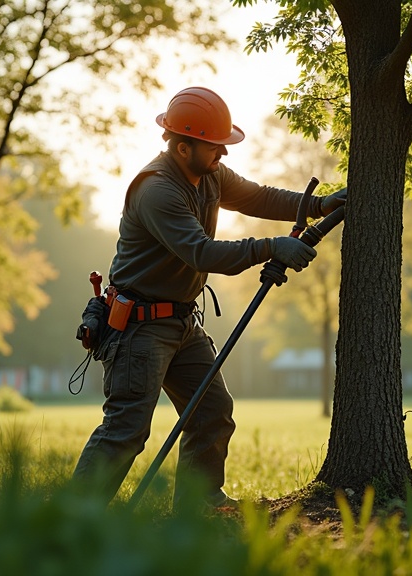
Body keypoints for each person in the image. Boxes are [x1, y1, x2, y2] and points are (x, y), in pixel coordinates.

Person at [71, 86, 346, 510]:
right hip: (140, 327)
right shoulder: (157, 191)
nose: (223, 155)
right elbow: (201, 252)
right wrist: (272, 248)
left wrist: (319, 205)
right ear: (183, 147)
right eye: (215, 147)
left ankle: (198, 504)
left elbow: (257, 196)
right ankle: (72, 519)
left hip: (182, 322)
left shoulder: (209, 173)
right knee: (126, 428)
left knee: (212, 409)